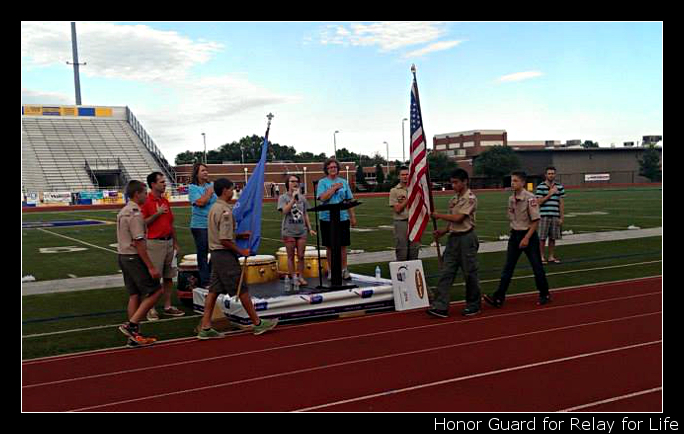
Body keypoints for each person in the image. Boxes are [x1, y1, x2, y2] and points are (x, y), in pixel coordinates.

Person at [198, 178, 278, 339]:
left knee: (213, 291)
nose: (233, 191)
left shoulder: (215, 208)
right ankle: (257, 323)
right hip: (224, 255)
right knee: (241, 289)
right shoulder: (225, 211)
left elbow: (221, 233)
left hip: (215, 254)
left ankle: (205, 327)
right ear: (225, 190)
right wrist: (242, 251)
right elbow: (224, 240)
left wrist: (240, 235)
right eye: (232, 188)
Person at [484, 171, 551, 308]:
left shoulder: (530, 198)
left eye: (515, 181)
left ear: (522, 182)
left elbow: (536, 220)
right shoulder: (511, 198)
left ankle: (545, 293)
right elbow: (511, 216)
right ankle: (499, 297)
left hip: (528, 236)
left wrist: (526, 238)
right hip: (515, 235)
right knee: (508, 267)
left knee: (537, 266)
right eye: (511, 181)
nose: (512, 183)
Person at [428, 169, 481, 317]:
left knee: (469, 273)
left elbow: (459, 218)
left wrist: (438, 215)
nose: (453, 185)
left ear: (465, 181)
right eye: (452, 182)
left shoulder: (470, 198)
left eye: (456, 182)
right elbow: (453, 222)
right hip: (453, 239)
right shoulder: (453, 199)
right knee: (446, 271)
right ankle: (440, 306)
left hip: (467, 238)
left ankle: (473, 304)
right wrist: (443, 231)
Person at [117, 180, 164, 347]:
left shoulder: (124, 211)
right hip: (133, 257)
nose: (146, 195)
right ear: (137, 194)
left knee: (134, 294)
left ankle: (133, 336)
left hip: (123, 256)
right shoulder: (135, 213)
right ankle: (132, 326)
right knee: (156, 291)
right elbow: (138, 241)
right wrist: (151, 266)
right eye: (144, 193)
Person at [140, 172, 185, 321]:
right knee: (154, 278)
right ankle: (150, 308)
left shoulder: (165, 200)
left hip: (168, 243)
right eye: (161, 182)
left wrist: (176, 243)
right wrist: (157, 214)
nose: (164, 184)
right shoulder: (146, 201)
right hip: (154, 243)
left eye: (164, 181)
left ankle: (167, 306)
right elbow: (142, 223)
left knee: (168, 276)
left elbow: (170, 224)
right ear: (153, 184)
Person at [316, 158, 357, 280]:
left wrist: (353, 217)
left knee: (343, 245)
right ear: (326, 170)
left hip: (342, 217)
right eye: (330, 167)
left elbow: (349, 200)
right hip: (327, 218)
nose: (333, 169)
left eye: (334, 167)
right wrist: (333, 188)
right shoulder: (322, 183)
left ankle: (344, 269)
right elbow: (322, 198)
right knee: (329, 245)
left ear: (338, 169)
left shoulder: (344, 182)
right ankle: (331, 270)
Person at [278, 174, 316, 286]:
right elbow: (284, 211)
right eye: (292, 181)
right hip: (288, 230)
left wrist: (310, 228)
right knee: (290, 256)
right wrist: (293, 200)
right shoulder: (283, 197)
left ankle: (301, 276)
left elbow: (305, 214)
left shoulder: (302, 198)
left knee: (301, 256)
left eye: (296, 181)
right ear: (287, 184)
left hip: (301, 230)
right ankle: (293, 277)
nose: (294, 183)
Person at [188, 163, 217, 288]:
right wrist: (209, 194)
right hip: (200, 225)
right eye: (203, 170)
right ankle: (205, 281)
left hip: (213, 224)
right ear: (197, 173)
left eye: (207, 170)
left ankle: (211, 276)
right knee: (203, 253)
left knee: (217, 251)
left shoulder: (211, 186)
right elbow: (200, 202)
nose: (206, 172)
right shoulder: (193, 188)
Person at [389, 166, 420, 261]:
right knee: (402, 249)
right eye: (402, 175)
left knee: (414, 249)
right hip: (401, 222)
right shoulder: (394, 191)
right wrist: (409, 197)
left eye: (407, 174)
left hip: (414, 222)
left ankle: (413, 271)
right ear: (399, 176)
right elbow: (397, 209)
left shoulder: (416, 189)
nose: (405, 176)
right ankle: (402, 271)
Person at [535, 166, 565, 264]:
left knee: (553, 238)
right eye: (549, 173)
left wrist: (561, 217)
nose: (551, 175)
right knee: (542, 238)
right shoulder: (540, 187)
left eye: (552, 173)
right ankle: (541, 256)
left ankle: (551, 256)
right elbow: (538, 202)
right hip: (543, 216)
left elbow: (561, 203)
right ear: (545, 175)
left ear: (555, 175)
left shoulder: (559, 187)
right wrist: (550, 194)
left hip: (555, 215)